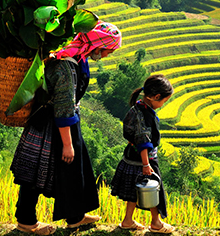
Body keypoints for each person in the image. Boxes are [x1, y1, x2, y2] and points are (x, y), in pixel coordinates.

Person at [10, 22, 122, 235]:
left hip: (67, 121)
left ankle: (76, 216)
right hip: (51, 123)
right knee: (34, 172)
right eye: (109, 49)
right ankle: (26, 221)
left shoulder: (79, 58)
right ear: (99, 44)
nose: (108, 54)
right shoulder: (65, 65)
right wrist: (68, 144)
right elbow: (63, 106)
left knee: (74, 170)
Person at [110, 74, 175, 234]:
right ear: (156, 97)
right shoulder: (143, 115)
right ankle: (156, 223)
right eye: (163, 101)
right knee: (153, 189)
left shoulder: (138, 107)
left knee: (134, 191)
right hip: (144, 160)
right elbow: (142, 141)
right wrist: (146, 164)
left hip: (131, 157)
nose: (162, 104)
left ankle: (127, 221)